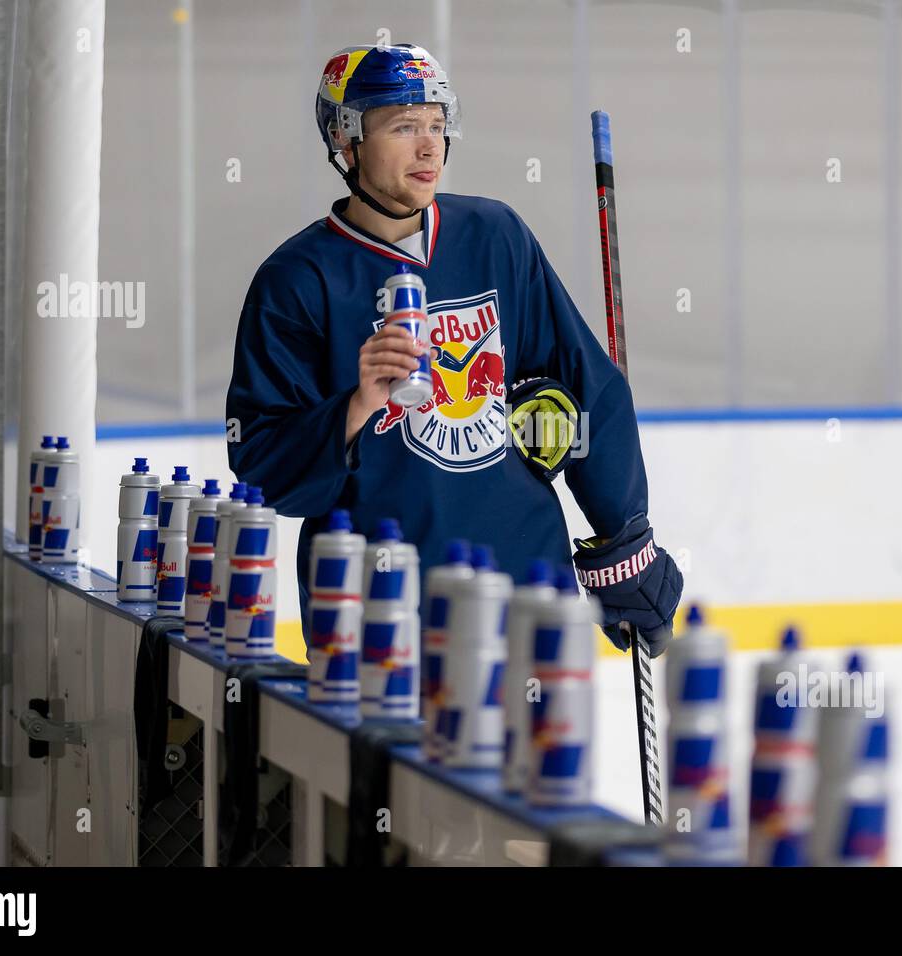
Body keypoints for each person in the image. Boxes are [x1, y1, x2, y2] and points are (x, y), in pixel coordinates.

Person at [225, 43, 682, 657]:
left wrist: (623, 536)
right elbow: (265, 469)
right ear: (347, 140)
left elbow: (586, 385)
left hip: (528, 594)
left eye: (438, 125)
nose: (429, 147)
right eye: (404, 126)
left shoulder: (496, 236)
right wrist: (355, 408)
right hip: (378, 617)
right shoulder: (297, 281)